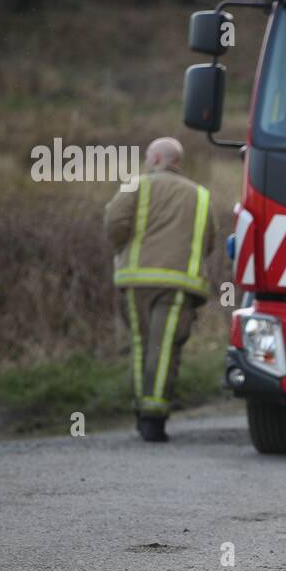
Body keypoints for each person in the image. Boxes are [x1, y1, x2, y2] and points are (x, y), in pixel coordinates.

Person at [103, 138, 215, 442]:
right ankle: (155, 415)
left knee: (141, 345)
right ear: (177, 161)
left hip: (136, 281)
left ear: (154, 159)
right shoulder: (201, 195)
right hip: (179, 284)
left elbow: (114, 221)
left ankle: (144, 411)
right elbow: (209, 240)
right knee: (163, 347)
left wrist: (121, 250)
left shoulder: (133, 184)